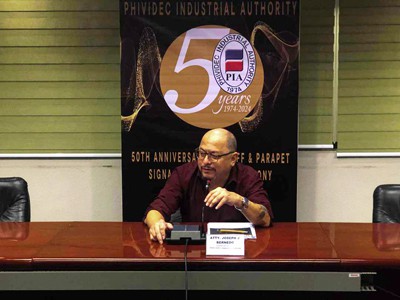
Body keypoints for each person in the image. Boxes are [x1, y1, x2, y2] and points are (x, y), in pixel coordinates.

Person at [144, 128, 273, 244]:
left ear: (233, 159)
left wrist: (238, 201)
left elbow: (265, 219)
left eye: (214, 156)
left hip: (235, 253)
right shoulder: (184, 174)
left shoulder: (248, 176)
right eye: (202, 153)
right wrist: (156, 224)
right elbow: (155, 209)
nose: (205, 161)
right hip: (194, 252)